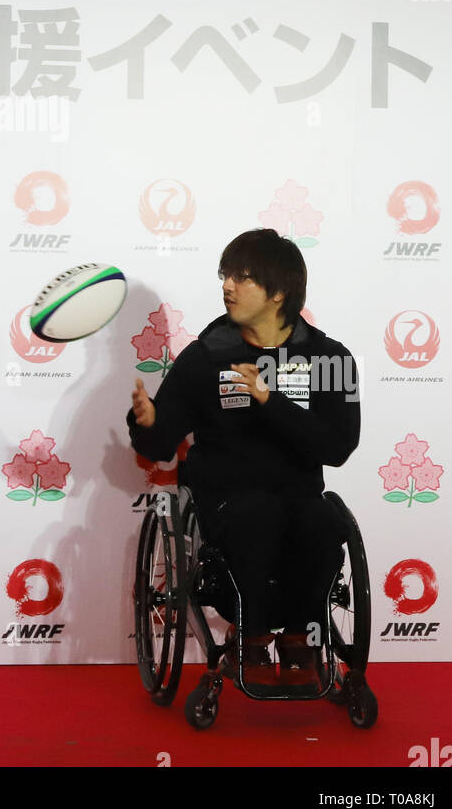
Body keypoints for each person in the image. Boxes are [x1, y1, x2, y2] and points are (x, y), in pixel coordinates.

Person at [128, 228, 359, 692]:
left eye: (243, 277)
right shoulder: (205, 358)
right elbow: (159, 446)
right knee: (258, 514)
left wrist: (268, 399)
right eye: (225, 275)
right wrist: (149, 422)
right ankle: (248, 641)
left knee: (322, 521)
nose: (227, 286)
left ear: (278, 292)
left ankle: (300, 642)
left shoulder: (331, 358)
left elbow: (338, 447)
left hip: (299, 496)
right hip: (227, 501)